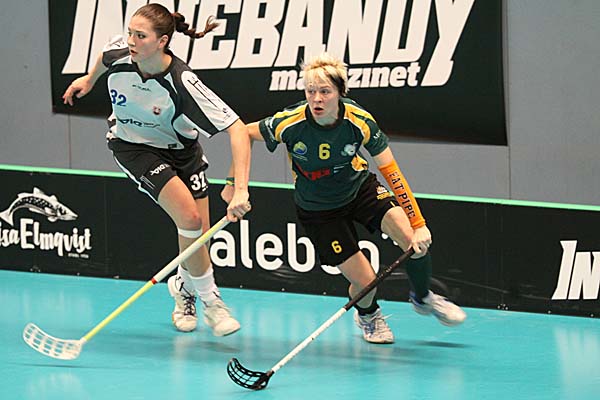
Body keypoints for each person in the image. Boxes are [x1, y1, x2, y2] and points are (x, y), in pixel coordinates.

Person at [223, 53, 466, 344]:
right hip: (319, 210)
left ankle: (423, 297)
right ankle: (368, 315)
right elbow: (243, 133)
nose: (317, 99)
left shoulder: (358, 121)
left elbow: (392, 173)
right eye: (310, 91)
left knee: (413, 239)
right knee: (366, 282)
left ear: (340, 92)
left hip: (359, 189)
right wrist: (236, 185)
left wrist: (419, 222)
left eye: (325, 92)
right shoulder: (290, 122)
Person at [62, 3, 251, 337]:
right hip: (133, 147)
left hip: (183, 153)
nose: (131, 41)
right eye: (130, 33)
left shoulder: (182, 82)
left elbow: (238, 129)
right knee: (189, 219)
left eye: (141, 36)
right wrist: (89, 81)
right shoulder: (120, 54)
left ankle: (183, 289)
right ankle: (213, 304)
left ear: (162, 41)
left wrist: (240, 190)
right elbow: (105, 57)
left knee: (199, 238)